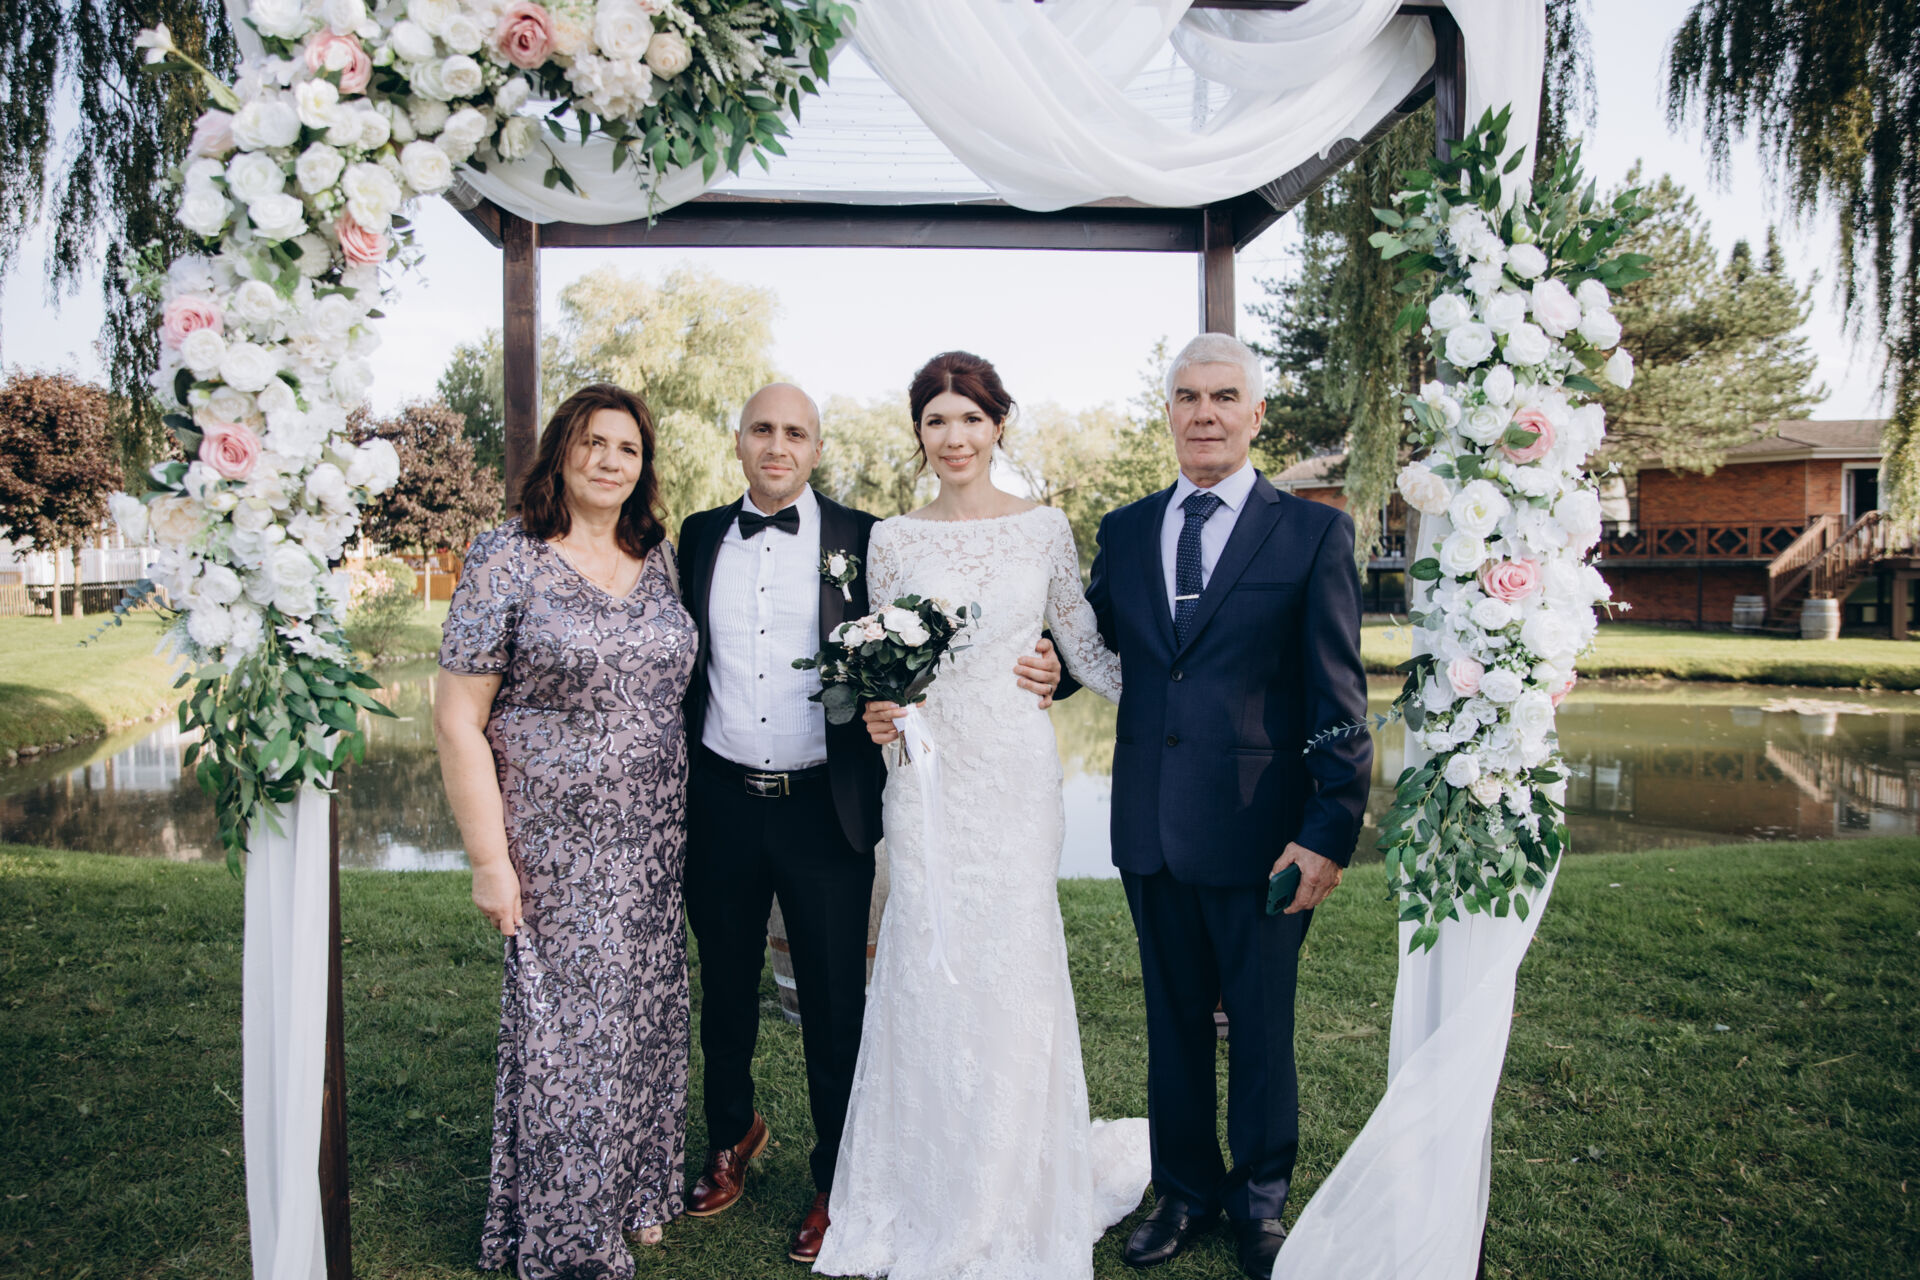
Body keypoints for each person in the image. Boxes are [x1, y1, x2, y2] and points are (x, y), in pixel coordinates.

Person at [676, 382, 1065, 1265]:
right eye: (762, 429)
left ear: (817, 448)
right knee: (725, 985)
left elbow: (934, 644)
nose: (778, 446)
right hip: (723, 799)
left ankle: (835, 1178)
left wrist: (1051, 668)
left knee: (834, 1003)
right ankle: (729, 1136)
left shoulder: (863, 537)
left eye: (796, 432)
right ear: (738, 440)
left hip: (826, 807)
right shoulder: (697, 537)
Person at [815, 352, 1150, 1280]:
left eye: (970, 418)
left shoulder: (1043, 529)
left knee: (1013, 963)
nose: (954, 436)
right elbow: (878, 668)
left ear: (999, 425)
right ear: (919, 434)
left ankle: (1015, 1184)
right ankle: (921, 1185)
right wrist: (877, 709)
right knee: (925, 959)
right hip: (924, 778)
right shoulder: (891, 540)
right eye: (936, 420)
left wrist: (1174, 687)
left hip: (1012, 776)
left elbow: (1087, 649)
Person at [1079, 334, 1372, 1280]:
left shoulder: (1312, 535)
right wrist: (1038, 665)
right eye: (1188, 397)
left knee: (1260, 1025)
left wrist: (1328, 831)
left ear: (1256, 414)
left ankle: (1259, 1200)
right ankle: (1183, 1191)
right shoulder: (1126, 530)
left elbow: (1340, 700)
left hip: (1264, 835)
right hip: (1151, 828)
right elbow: (1092, 645)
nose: (1204, 413)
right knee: (1171, 1025)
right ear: (1168, 411)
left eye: (1223, 396)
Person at [435, 383, 697, 1280]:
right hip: (555, 845)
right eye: (592, 442)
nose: (609, 461)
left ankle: (633, 1192)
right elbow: (457, 719)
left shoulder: (656, 557)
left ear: (642, 466)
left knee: (643, 1016)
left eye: (627, 447)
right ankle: (566, 1230)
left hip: (654, 841)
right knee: (569, 1033)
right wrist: (488, 860)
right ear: (561, 452)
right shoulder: (507, 556)